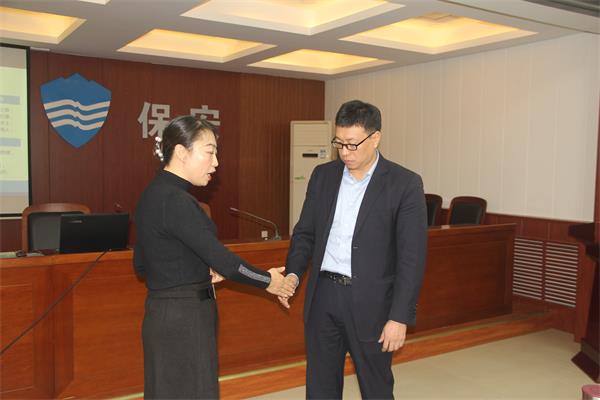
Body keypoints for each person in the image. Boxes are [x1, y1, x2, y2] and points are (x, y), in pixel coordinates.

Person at [133, 115, 296, 399]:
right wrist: (269, 281)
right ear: (181, 152)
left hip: (161, 315)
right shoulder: (177, 200)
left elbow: (142, 265)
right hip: (186, 318)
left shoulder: (151, 194)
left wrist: (197, 269)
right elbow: (227, 264)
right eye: (209, 152)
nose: (216, 162)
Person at [281, 100, 428, 399]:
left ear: (375, 138)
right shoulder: (323, 176)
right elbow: (305, 233)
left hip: (373, 302)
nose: (345, 152)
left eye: (352, 144)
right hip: (323, 295)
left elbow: (411, 258)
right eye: (339, 143)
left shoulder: (404, 184)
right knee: (320, 386)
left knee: (376, 387)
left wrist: (399, 316)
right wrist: (293, 274)